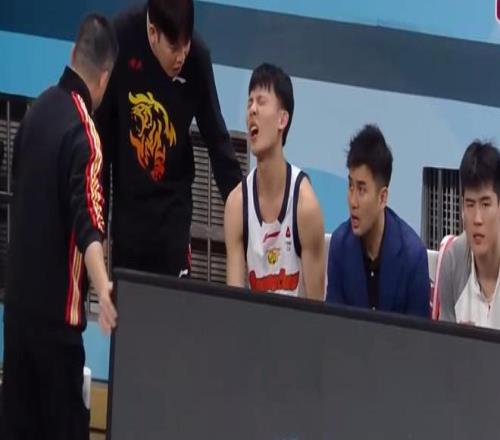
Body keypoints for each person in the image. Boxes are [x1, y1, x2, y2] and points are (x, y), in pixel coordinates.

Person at [3, 14, 118, 439]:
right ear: (104, 77)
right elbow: (88, 220)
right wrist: (103, 286)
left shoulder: (34, 113)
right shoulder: (85, 133)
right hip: (56, 330)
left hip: (16, 318)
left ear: (72, 53)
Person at [96, 0, 242, 276]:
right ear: (153, 33)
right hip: (128, 216)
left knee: (174, 299)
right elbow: (101, 138)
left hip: (173, 213)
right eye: (174, 47)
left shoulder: (197, 57)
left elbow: (217, 140)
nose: (181, 57)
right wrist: (98, 228)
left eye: (186, 44)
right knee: (129, 300)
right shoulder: (120, 39)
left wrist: (247, 219)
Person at [224, 63, 325, 300]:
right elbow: (233, 306)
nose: (252, 110)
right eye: (249, 102)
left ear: (282, 120)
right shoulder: (236, 204)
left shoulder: (305, 206)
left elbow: (317, 312)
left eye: (261, 101)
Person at [326, 125, 429, 317]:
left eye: (361, 189)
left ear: (382, 198)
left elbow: (419, 334)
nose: (353, 201)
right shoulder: (340, 245)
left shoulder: (413, 257)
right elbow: (332, 325)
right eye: (350, 186)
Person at [438, 141, 500, 328]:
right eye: (470, 205)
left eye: (485, 204)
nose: (477, 219)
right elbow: (444, 342)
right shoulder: (453, 260)